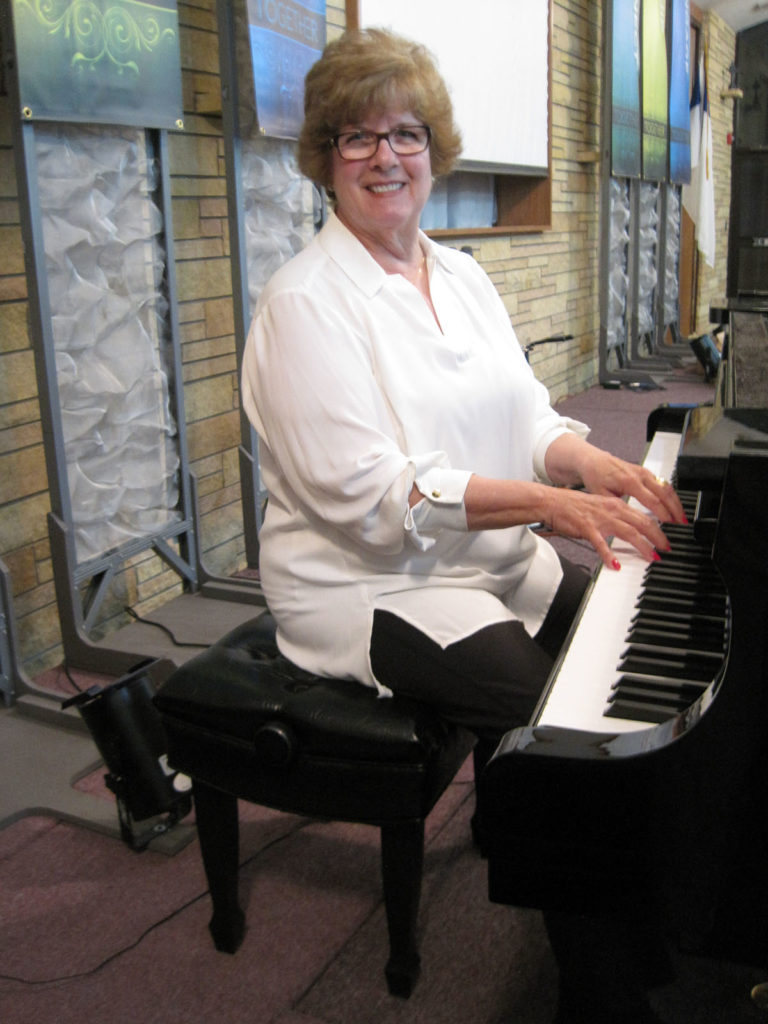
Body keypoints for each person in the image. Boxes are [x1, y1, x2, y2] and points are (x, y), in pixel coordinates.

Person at [240, 28, 683, 1022]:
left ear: (434, 149)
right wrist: (551, 505)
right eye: (355, 139)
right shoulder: (305, 304)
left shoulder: (463, 275)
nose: (384, 157)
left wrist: (588, 461)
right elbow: (375, 497)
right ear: (324, 159)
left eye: (403, 134)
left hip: (486, 563)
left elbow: (526, 414)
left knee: (627, 640)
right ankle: (603, 994)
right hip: (372, 588)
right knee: (565, 736)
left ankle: (652, 929)